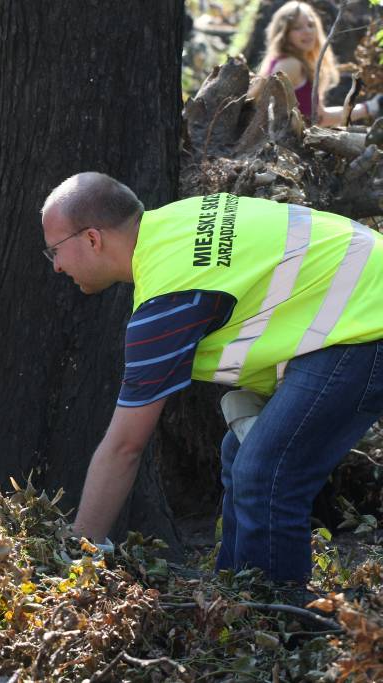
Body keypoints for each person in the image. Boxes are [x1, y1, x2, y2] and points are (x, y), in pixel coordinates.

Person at [41, 172, 383, 583]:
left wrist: (79, 556)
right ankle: (234, 598)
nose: (57, 267)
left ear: (93, 239)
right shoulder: (177, 225)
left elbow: (124, 447)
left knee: (265, 474)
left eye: (54, 251)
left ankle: (276, 625)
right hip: (360, 306)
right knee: (240, 453)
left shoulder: (168, 297)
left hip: (366, 324)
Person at [250, 1, 382, 126]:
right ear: (284, 33)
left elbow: (320, 117)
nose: (307, 31)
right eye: (297, 27)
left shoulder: (293, 62)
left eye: (310, 25)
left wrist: (370, 107)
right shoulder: (290, 65)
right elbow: (264, 117)